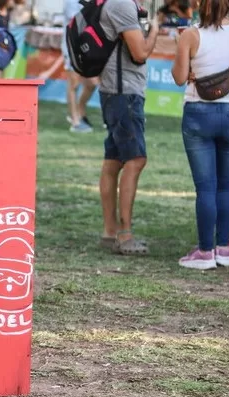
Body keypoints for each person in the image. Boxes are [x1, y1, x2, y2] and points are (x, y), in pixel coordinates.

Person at [172, 0, 229, 269]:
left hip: (198, 114)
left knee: (205, 187)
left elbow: (179, 77)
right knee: (225, 185)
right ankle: (225, 249)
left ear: (199, 4)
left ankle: (205, 252)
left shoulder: (190, 35)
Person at [97, 0, 158, 255]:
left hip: (115, 92)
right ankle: (125, 235)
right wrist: (154, 30)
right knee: (135, 160)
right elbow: (140, 53)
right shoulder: (122, 4)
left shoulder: (115, 4)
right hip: (124, 94)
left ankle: (110, 233)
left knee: (113, 162)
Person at [61, 0, 99, 133]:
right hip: (72, 44)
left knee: (93, 83)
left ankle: (80, 110)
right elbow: (77, 21)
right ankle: (75, 120)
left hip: (89, 44)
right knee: (74, 83)